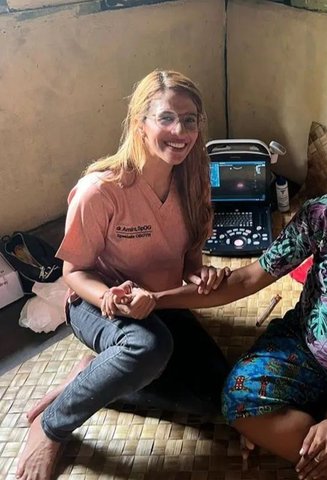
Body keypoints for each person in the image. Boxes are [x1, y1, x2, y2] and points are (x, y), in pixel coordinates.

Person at [113, 116, 327, 479]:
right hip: (309, 349)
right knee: (241, 399)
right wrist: (155, 299)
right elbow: (248, 278)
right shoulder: (326, 213)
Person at [16, 69, 231, 480]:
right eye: (166, 118)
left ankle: (91, 376)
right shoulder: (99, 190)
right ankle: (52, 426)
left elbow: (190, 260)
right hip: (95, 303)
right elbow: (74, 272)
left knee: (219, 398)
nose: (180, 131)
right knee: (150, 347)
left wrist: (200, 275)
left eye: (190, 121)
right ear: (140, 123)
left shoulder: (195, 181)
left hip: (161, 300)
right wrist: (109, 298)